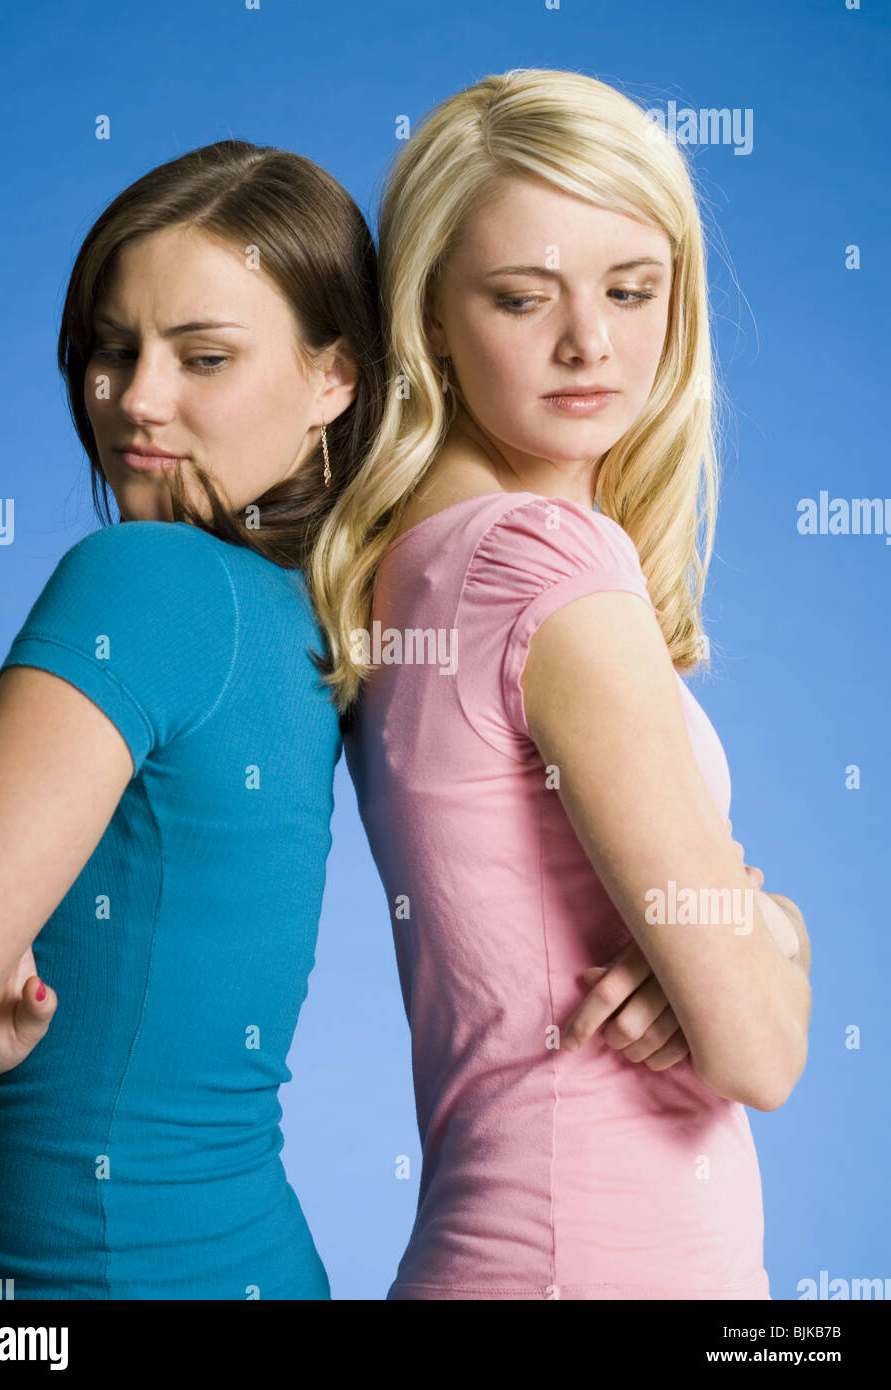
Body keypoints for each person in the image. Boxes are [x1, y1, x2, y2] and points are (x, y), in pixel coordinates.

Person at [307, 68, 812, 1300]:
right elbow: (757, 1048)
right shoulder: (546, 560)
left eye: (632, 290)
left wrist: (748, 934)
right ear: (427, 317)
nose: (590, 342)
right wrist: (763, 942)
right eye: (521, 298)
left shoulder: (409, 567)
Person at [0, 139, 384, 1299]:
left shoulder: (148, 583)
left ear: (335, 377)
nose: (137, 399)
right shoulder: (307, 616)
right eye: (115, 350)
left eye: (205, 356)